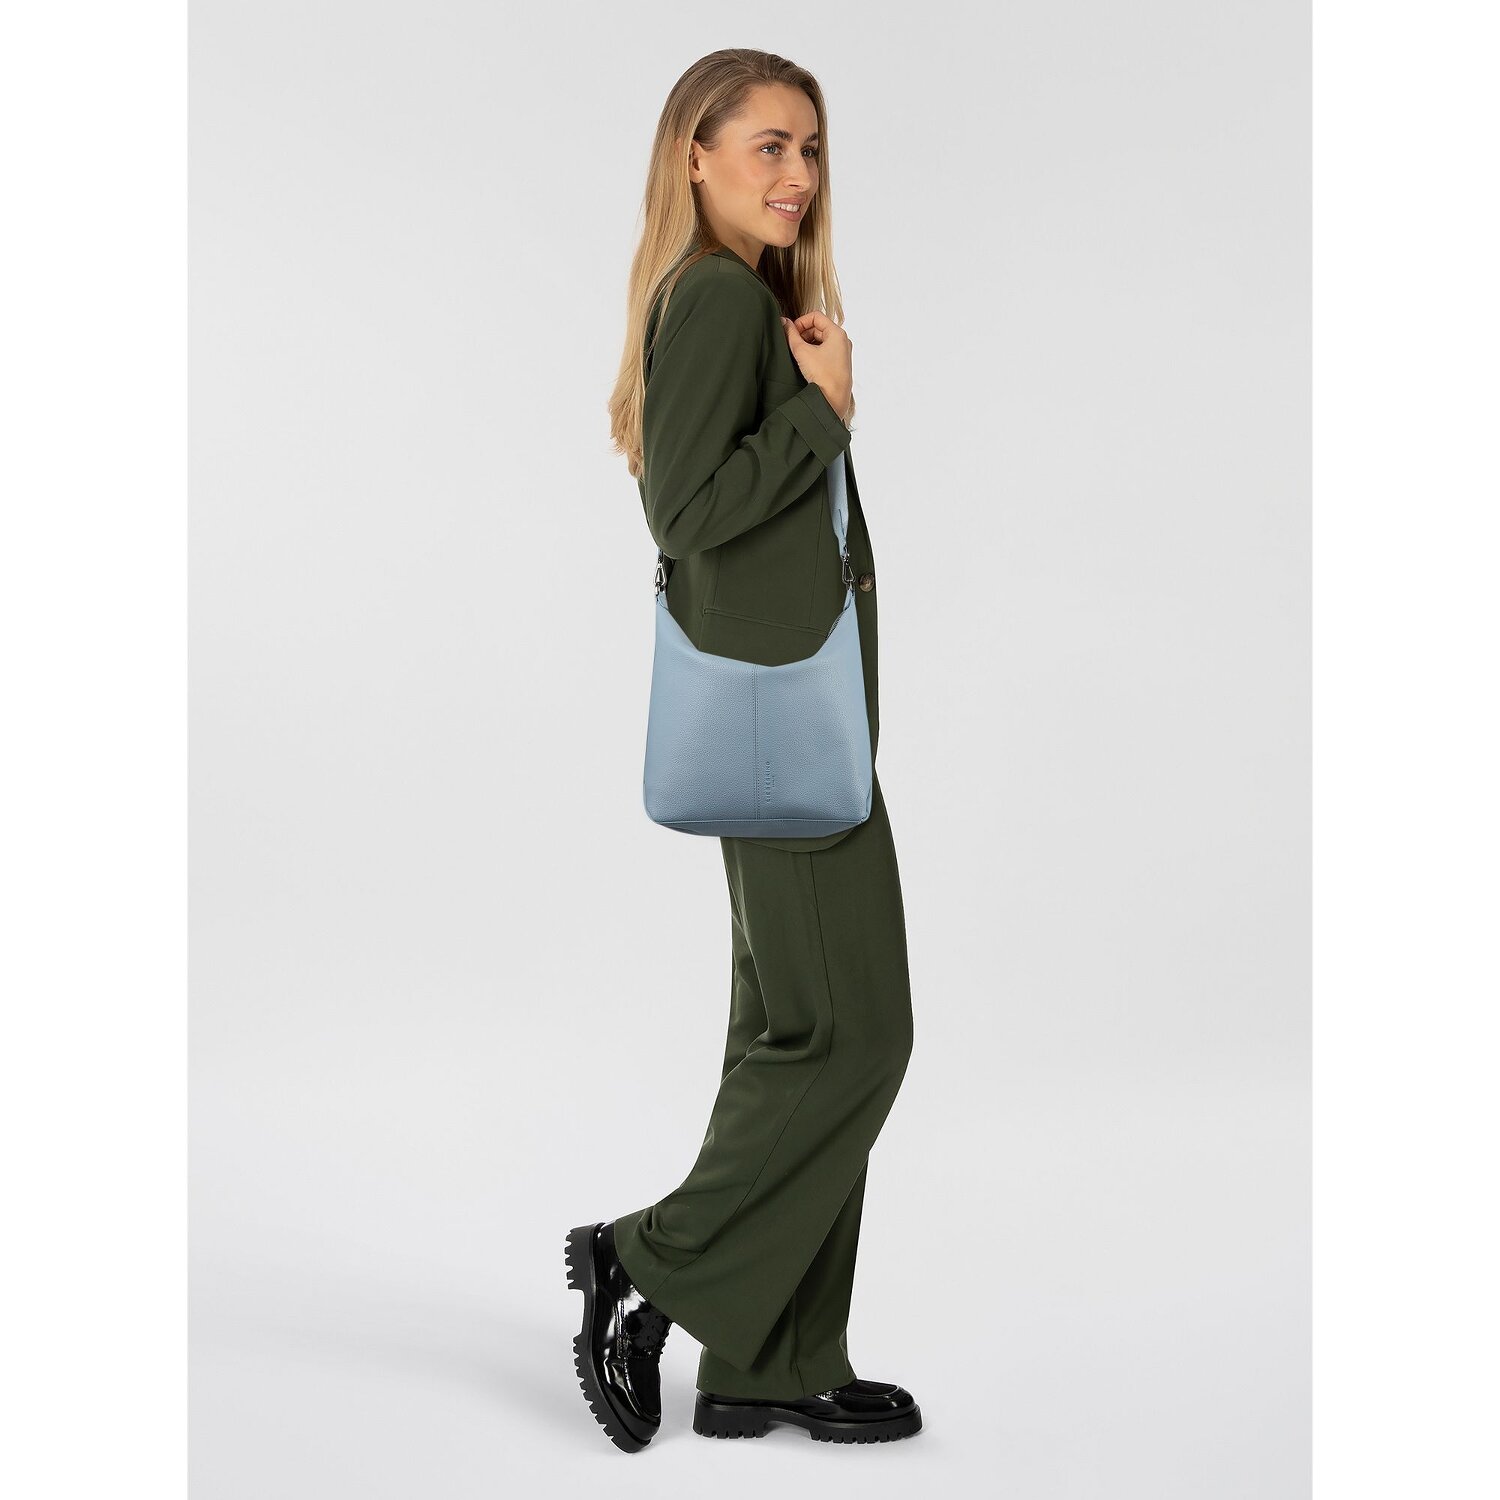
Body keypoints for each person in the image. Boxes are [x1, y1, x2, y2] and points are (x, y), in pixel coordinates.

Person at [567, 47, 920, 1451]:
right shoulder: (716, 296)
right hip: (784, 727)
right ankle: (646, 1259)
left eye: (811, 149)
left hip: (793, 719)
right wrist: (823, 417)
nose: (798, 175)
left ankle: (771, 1362)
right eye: (769, 145)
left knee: (790, 1037)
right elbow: (688, 511)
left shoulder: (744, 297)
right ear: (695, 155)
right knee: (854, 1035)